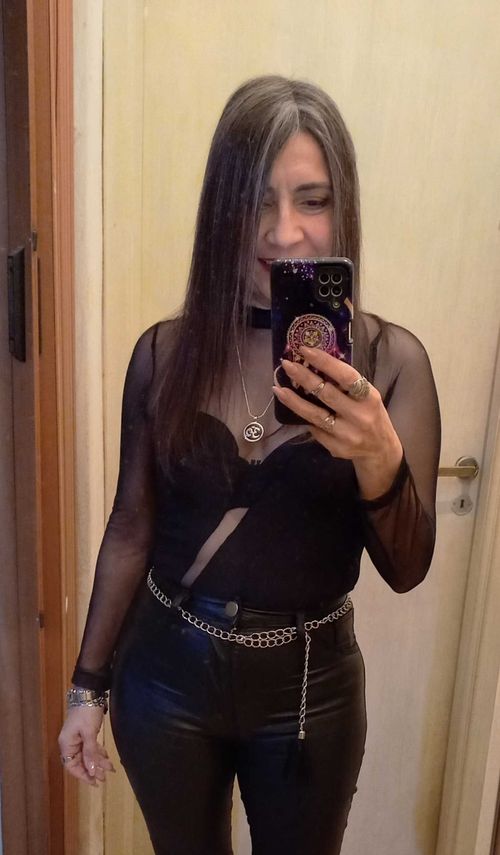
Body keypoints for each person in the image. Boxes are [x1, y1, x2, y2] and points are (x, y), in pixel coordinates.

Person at [58, 75, 440, 855]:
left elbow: (407, 569)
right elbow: (130, 527)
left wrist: (378, 457)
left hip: (310, 691)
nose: (284, 231)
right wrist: (86, 688)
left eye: (311, 199)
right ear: (220, 210)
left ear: (343, 208)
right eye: (256, 200)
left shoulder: (391, 362)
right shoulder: (166, 355)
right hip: (165, 672)